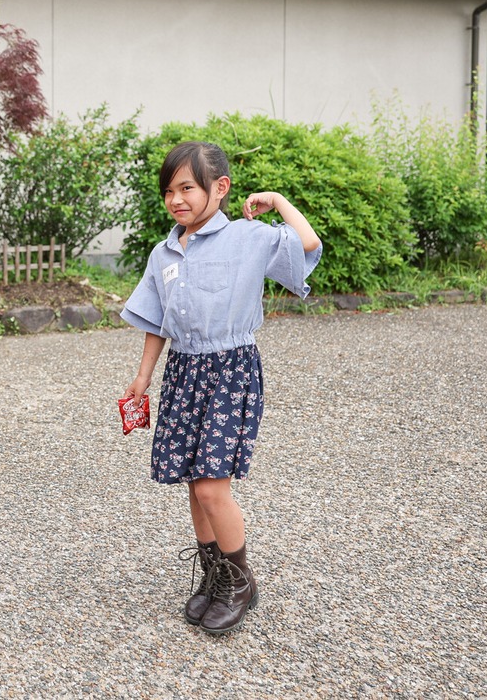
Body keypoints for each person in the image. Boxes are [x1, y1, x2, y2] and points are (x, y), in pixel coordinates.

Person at [121, 141, 322, 635]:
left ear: (220, 188)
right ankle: (214, 576)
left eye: (187, 187)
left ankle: (239, 580)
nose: (176, 199)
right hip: (184, 373)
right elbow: (155, 321)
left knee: (213, 486)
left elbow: (309, 244)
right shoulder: (164, 251)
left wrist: (276, 201)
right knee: (195, 484)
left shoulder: (248, 238)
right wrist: (143, 377)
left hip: (230, 370)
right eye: (169, 190)